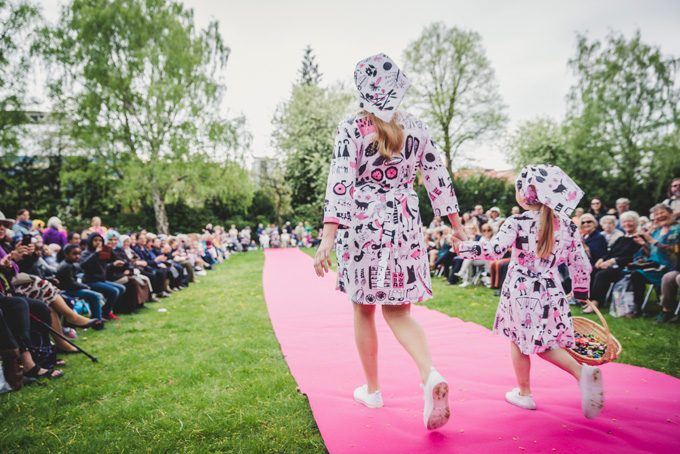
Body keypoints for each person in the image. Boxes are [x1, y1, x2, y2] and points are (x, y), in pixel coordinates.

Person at [314, 54, 465, 430]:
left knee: (363, 309)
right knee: (399, 311)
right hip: (405, 223)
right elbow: (438, 178)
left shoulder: (353, 126)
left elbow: (341, 180)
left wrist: (328, 237)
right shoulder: (416, 127)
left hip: (364, 223)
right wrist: (456, 225)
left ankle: (373, 389)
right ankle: (429, 374)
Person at [454, 164, 603, 419]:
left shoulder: (518, 221)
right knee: (542, 340)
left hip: (522, 290)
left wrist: (463, 249)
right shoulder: (567, 225)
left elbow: (494, 251)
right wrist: (580, 291)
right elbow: (581, 263)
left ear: (524, 194)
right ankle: (530, 391)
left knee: (524, 340)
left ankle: (560, 381)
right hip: (552, 289)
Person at [628, 204, 680, 318]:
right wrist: (644, 245)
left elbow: (676, 249)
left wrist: (653, 241)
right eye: (656, 214)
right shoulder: (657, 231)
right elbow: (651, 252)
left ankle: (668, 308)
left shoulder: (677, 229)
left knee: (637, 274)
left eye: (662, 212)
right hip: (654, 265)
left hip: (670, 266)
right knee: (635, 274)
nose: (659, 216)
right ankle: (637, 307)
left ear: (671, 213)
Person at [585, 211, 641, 314]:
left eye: (630, 221)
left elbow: (633, 257)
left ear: (636, 223)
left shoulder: (639, 239)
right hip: (612, 264)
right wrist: (602, 259)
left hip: (624, 267)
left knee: (602, 275)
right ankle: (590, 300)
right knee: (593, 270)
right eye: (624, 221)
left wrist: (613, 261)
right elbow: (610, 253)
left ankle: (597, 302)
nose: (627, 224)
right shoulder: (621, 238)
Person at [56, 244, 106, 328]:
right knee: (95, 295)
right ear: (66, 254)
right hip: (66, 290)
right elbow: (71, 284)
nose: (77, 256)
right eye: (74, 254)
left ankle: (97, 319)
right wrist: (84, 286)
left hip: (71, 288)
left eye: (79, 254)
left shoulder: (71, 263)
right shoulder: (66, 266)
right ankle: (97, 322)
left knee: (95, 295)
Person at [79, 232, 126, 321]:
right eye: (95, 240)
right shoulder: (86, 253)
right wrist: (95, 253)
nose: (98, 242)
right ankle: (105, 313)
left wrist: (114, 264)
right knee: (114, 291)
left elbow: (105, 267)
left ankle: (106, 311)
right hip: (90, 281)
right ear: (90, 241)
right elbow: (83, 265)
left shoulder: (102, 252)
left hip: (101, 280)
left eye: (100, 240)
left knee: (121, 288)